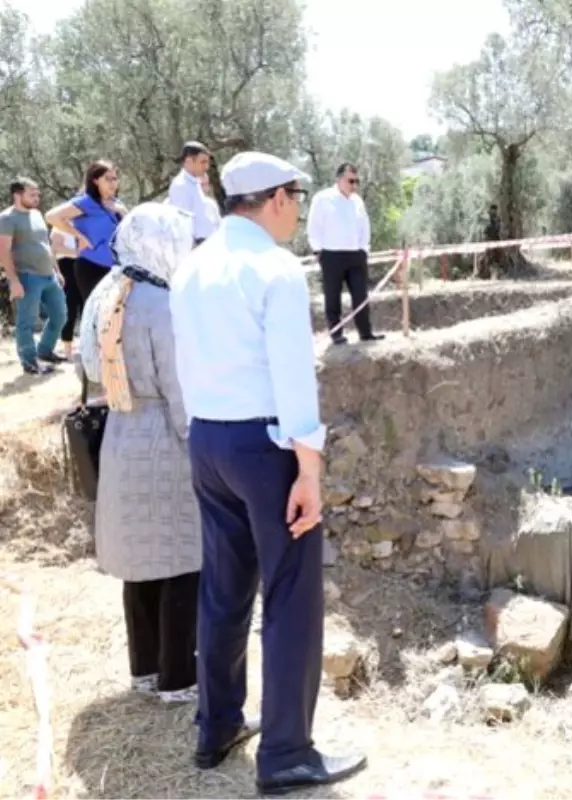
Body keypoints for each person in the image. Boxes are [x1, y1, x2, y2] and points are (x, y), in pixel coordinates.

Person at [171, 151, 366, 794]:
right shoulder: (275, 270)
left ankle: (217, 725)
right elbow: (293, 381)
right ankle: (285, 753)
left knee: (223, 589)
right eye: (297, 198)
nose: (298, 212)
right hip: (264, 447)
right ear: (278, 198)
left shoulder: (190, 268)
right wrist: (308, 471)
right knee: (290, 594)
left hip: (207, 441)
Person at [77, 202, 201, 704]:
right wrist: (200, 443)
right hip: (163, 439)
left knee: (139, 562)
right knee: (181, 558)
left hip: (120, 430)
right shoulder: (159, 300)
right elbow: (179, 385)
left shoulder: (105, 290)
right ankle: (178, 679)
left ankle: (144, 670)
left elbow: (88, 364)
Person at [306, 163, 381, 345]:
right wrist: (318, 250)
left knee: (360, 295)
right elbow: (314, 227)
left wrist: (364, 249)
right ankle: (336, 334)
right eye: (351, 181)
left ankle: (365, 332)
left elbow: (365, 227)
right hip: (331, 255)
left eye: (357, 181)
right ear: (339, 179)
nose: (354, 185)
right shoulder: (322, 198)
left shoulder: (358, 201)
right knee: (333, 297)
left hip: (356, 255)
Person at [0, 178, 68, 374]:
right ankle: (29, 362)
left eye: (38, 194)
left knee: (60, 315)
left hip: (49, 276)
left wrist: (57, 270)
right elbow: (3, 252)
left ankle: (45, 351)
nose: (37, 198)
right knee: (26, 321)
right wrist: (14, 281)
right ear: (17, 195)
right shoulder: (6, 219)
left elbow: (45, 245)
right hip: (27, 277)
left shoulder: (37, 214)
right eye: (32, 194)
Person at [46, 160, 127, 302]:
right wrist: (79, 236)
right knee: (99, 318)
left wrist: (123, 211)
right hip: (92, 267)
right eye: (107, 179)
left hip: (117, 268)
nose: (112, 183)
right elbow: (51, 216)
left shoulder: (116, 204)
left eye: (115, 178)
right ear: (95, 181)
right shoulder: (86, 203)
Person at [166, 141, 218, 246]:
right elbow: (182, 224)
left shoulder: (195, 183)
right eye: (202, 162)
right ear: (189, 161)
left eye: (207, 162)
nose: (206, 167)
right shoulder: (181, 186)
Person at [52, 228, 81, 357]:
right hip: (67, 266)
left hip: (83, 266)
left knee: (86, 305)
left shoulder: (82, 224)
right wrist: (79, 252)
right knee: (70, 307)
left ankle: (85, 346)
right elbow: (55, 249)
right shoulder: (58, 227)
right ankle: (67, 348)